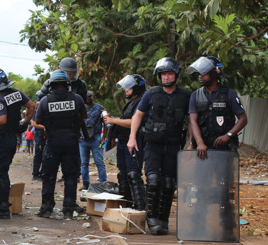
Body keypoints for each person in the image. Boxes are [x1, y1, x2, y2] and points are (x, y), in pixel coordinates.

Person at [127, 57, 191, 235]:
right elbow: (138, 115)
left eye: (170, 74)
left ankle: (163, 219)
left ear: (176, 75)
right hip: (153, 144)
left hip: (173, 145)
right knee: (153, 181)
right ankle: (152, 218)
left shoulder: (185, 96)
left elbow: (191, 121)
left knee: (169, 184)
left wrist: (191, 143)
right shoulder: (151, 94)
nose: (166, 78)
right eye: (163, 74)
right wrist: (132, 138)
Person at [186, 56, 248, 239]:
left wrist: (228, 135)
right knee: (199, 187)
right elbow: (193, 121)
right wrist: (199, 143)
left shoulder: (229, 94)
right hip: (203, 152)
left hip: (225, 152)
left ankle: (227, 229)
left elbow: (243, 119)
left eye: (204, 73)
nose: (200, 76)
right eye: (199, 73)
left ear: (216, 73)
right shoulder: (195, 95)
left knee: (225, 189)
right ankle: (198, 227)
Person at [35, 70, 87, 220]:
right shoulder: (76, 99)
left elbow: (38, 121)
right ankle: (68, 210)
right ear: (67, 84)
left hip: (53, 142)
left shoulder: (45, 100)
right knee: (70, 176)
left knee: (49, 176)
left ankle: (46, 208)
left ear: (51, 84)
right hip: (71, 143)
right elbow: (84, 116)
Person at [0, 68, 35, 219]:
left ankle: (3, 208)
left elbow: (1, 120)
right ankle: (3, 206)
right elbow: (31, 106)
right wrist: (24, 122)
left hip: (2, 139)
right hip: (12, 138)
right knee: (2, 172)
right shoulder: (16, 93)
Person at [104, 74, 147, 210]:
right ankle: (126, 206)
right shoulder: (131, 101)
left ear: (137, 88)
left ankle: (140, 208)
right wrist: (113, 119)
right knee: (123, 175)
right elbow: (125, 119)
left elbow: (134, 122)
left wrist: (113, 120)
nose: (126, 90)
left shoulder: (142, 101)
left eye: (129, 87)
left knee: (133, 174)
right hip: (122, 142)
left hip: (134, 142)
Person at [79, 91, 106, 190]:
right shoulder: (80, 108)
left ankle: (103, 183)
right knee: (83, 163)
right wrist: (78, 135)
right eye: (85, 96)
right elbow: (75, 121)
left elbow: (106, 121)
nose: (88, 98)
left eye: (90, 96)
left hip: (95, 138)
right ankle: (85, 183)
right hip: (83, 139)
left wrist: (104, 137)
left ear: (93, 97)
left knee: (99, 161)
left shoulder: (99, 108)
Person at [31, 90, 46, 181]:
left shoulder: (46, 110)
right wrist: (45, 127)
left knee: (46, 155)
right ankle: (35, 173)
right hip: (40, 136)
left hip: (46, 136)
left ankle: (43, 173)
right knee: (38, 155)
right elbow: (33, 124)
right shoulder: (36, 111)